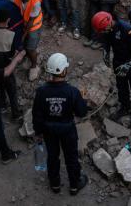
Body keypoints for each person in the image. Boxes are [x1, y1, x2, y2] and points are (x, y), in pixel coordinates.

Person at [32, 52, 89, 195]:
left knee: (52, 156)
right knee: (71, 157)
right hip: (68, 130)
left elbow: (37, 115)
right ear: (63, 70)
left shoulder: (41, 92)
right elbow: (82, 113)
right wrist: (84, 100)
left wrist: (38, 132)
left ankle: (55, 184)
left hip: (49, 130)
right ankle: (74, 185)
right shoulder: (72, 92)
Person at [92, 11, 131, 124]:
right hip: (118, 61)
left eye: (103, 30)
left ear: (110, 23)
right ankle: (124, 107)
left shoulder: (127, 29)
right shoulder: (108, 29)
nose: (103, 32)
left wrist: (128, 64)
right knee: (121, 86)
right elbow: (106, 40)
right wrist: (106, 51)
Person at [11, 0, 44, 81]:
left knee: (30, 48)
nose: (24, 1)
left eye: (26, 0)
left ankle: (34, 66)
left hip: (34, 26)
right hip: (21, 22)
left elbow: (31, 22)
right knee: (22, 43)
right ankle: (24, 53)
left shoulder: (35, 2)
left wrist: (23, 36)